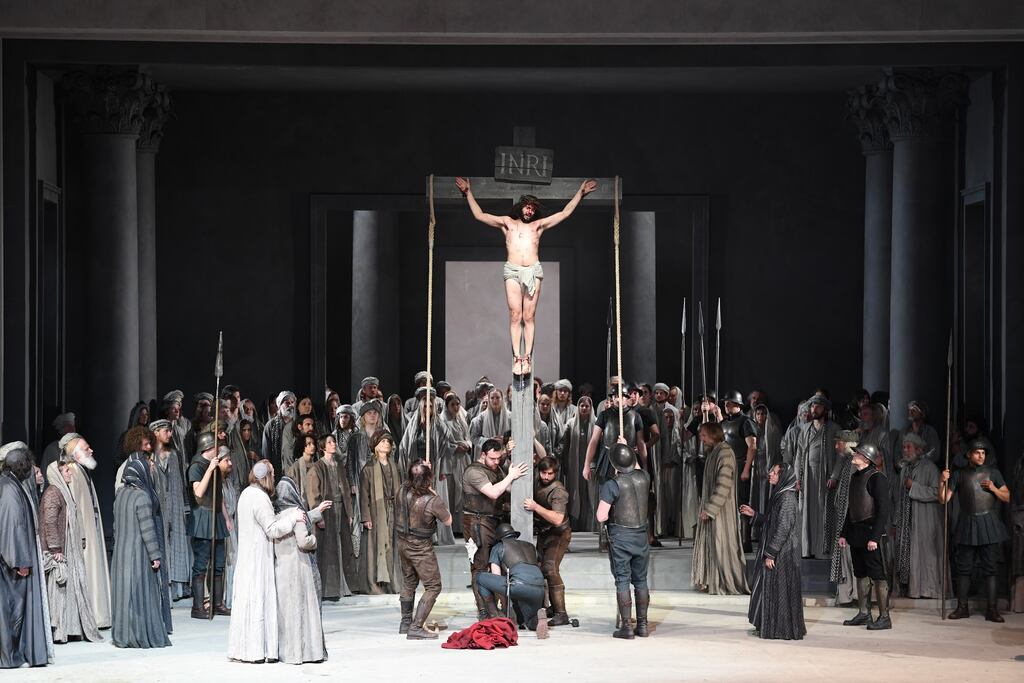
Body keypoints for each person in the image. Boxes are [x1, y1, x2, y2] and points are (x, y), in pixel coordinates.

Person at [454, 175, 598, 375]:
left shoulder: (537, 226)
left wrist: (580, 194)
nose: (529, 211)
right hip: (513, 270)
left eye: (532, 208)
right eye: (527, 207)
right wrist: (468, 193)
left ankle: (527, 357)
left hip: (532, 270)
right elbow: (480, 215)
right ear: (521, 207)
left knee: (528, 316)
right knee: (515, 315)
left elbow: (564, 213)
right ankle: (517, 357)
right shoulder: (507, 223)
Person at [227, 460, 305, 663]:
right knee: (259, 598)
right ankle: (258, 651)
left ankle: (243, 650)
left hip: (247, 555)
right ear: (266, 477)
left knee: (247, 600)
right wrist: (293, 518)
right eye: (272, 474)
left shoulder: (245, 494)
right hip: (259, 556)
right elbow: (272, 529)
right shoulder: (260, 498)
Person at [939, 437, 1011, 622]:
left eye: (983, 453)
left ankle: (992, 610)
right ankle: (962, 608)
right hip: (967, 523)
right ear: (969, 455)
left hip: (988, 523)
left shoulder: (993, 473)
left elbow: (1007, 497)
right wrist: (942, 481)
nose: (981, 456)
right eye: (977, 453)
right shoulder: (959, 474)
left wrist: (994, 488)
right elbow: (944, 499)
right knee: (964, 568)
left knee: (990, 568)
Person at [462, 437, 529, 619]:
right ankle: (484, 610)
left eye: (499, 458)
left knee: (497, 565)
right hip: (477, 524)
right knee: (479, 567)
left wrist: (507, 452)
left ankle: (496, 608)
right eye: (493, 458)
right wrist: (511, 475)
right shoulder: (474, 472)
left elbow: (504, 486)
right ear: (483, 455)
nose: (497, 462)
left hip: (492, 522)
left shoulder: (494, 466)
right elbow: (493, 492)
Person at [40, 456, 103, 644]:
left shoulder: (64, 491)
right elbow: (50, 522)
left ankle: (72, 628)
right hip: (61, 549)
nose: (70, 474)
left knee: (71, 589)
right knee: (60, 590)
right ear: (58, 474)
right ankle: (60, 631)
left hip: (70, 547)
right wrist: (55, 548)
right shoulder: (53, 493)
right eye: (66, 471)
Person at [0, 446, 52, 668]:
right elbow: (12, 527)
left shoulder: (9, 484)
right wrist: (20, 561)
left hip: (13, 558)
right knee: (14, 610)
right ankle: (11, 657)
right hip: (12, 563)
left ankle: (16, 655)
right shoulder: (9, 490)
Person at [111, 460, 172, 649]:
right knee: (140, 595)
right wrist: (155, 556)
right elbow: (148, 530)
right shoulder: (142, 497)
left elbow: (115, 526)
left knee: (124, 596)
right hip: (138, 554)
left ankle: (123, 635)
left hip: (120, 553)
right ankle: (139, 634)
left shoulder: (120, 495)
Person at [741, 463, 805, 640]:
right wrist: (755, 515)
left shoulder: (787, 499)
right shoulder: (781, 495)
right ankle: (772, 627)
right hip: (779, 551)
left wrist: (771, 553)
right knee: (772, 590)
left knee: (780, 591)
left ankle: (781, 629)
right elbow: (772, 521)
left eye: (775, 472)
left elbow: (783, 528)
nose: (770, 474)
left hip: (783, 554)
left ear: (783, 477)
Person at [596, 441, 652, 639]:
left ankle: (627, 627)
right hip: (641, 536)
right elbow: (636, 467)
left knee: (622, 580)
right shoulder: (645, 477)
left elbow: (601, 516)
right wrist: (626, 449)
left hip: (621, 537)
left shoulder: (612, 485)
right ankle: (643, 626)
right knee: (641, 580)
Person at [58, 432, 111, 629]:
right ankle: (92, 616)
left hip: (90, 527)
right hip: (83, 532)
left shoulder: (82, 471)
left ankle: (98, 615)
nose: (91, 450)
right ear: (76, 452)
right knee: (88, 570)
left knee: (94, 569)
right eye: (87, 448)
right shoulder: (72, 472)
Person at [395, 459, 452, 640]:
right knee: (434, 586)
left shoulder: (401, 490)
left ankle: (405, 623)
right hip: (420, 546)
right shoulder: (432, 500)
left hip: (402, 543)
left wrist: (425, 473)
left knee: (409, 582)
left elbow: (415, 479)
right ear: (428, 478)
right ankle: (416, 626)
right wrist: (434, 493)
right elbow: (448, 521)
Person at [274, 476, 328, 664]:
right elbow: (303, 541)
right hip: (299, 567)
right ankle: (307, 652)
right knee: (304, 610)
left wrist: (317, 511)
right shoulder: (296, 514)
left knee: (287, 612)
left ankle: (290, 653)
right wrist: (314, 540)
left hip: (282, 568)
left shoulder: (277, 515)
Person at [691, 422, 749, 595]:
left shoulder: (725, 453)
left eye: (704, 435)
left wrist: (710, 508)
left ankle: (724, 581)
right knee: (712, 544)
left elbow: (724, 483)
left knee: (722, 545)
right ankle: (710, 580)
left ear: (713, 434)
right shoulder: (714, 452)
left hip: (721, 511)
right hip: (713, 509)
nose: (701, 439)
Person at [839, 442, 892, 630]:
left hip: (870, 532)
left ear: (866, 458)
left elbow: (883, 510)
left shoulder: (877, 478)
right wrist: (844, 533)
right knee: (860, 573)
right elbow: (852, 508)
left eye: (857, 453)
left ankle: (884, 617)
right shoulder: (855, 477)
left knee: (877, 574)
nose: (854, 455)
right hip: (856, 532)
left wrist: (875, 537)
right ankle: (864, 613)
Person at [894, 433, 946, 599]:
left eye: (908, 447)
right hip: (906, 521)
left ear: (918, 450)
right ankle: (910, 588)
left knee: (925, 555)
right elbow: (899, 496)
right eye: (904, 447)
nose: (905, 450)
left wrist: (914, 487)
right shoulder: (904, 469)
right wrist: (896, 521)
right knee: (907, 555)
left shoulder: (930, 468)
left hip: (925, 519)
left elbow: (938, 493)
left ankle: (928, 589)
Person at [475, 523, 549, 639]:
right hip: (539, 588)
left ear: (499, 538)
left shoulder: (499, 546)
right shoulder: (530, 546)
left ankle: (494, 616)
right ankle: (538, 619)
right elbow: (539, 564)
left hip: (519, 585)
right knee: (529, 621)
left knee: (480, 577)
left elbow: (496, 575)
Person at [187, 431, 231, 619]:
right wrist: (210, 469)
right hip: (203, 517)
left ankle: (217, 603)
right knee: (201, 564)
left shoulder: (215, 466)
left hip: (217, 517)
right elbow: (198, 493)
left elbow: (218, 495)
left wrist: (226, 517)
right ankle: (198, 607)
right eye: (216, 447)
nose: (218, 450)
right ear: (208, 448)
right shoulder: (197, 466)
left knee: (219, 563)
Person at [525, 456, 572, 626]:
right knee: (540, 568)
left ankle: (561, 613)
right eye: (543, 473)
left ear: (556, 473)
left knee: (550, 569)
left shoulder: (558, 491)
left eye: (549, 473)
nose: (545, 476)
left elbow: (558, 519)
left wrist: (535, 507)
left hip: (559, 533)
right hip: (544, 531)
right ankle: (551, 606)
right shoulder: (537, 481)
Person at [306, 434, 354, 599]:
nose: (333, 444)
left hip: (340, 509)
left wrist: (349, 512)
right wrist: (318, 516)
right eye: (329, 442)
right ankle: (328, 590)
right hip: (327, 511)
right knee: (327, 549)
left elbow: (345, 489)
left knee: (341, 546)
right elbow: (313, 494)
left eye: (334, 441)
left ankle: (342, 587)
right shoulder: (317, 468)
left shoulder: (338, 465)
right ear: (322, 447)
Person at [794, 395, 841, 558]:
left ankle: (823, 549)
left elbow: (842, 455)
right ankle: (807, 549)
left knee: (824, 510)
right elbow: (799, 455)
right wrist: (797, 477)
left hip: (825, 474)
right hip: (808, 474)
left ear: (825, 410)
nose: (814, 409)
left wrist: (834, 476)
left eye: (818, 406)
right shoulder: (805, 429)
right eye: (812, 406)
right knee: (807, 510)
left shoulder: (835, 429)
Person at [150, 418, 192, 601]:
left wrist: (183, 505)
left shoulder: (174, 455)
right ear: (156, 433)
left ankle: (177, 587)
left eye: (170, 430)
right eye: (166, 431)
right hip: (158, 503)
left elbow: (180, 481)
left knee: (177, 541)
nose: (170, 434)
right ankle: (162, 585)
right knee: (160, 540)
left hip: (174, 501)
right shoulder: (150, 456)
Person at [359, 430, 403, 595]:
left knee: (392, 545)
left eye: (388, 441)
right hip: (376, 511)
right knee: (377, 545)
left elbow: (401, 489)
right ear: (375, 446)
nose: (386, 444)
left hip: (393, 509)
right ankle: (376, 584)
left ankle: (393, 583)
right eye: (383, 441)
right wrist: (366, 517)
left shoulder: (395, 466)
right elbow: (364, 495)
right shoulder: (368, 468)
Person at [554, 395, 597, 531]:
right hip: (574, 466)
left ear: (591, 408)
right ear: (578, 407)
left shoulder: (596, 424)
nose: (584, 408)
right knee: (575, 494)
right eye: (581, 405)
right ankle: (575, 525)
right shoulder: (571, 424)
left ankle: (590, 526)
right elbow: (564, 445)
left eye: (587, 406)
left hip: (591, 466)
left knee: (589, 494)